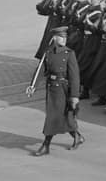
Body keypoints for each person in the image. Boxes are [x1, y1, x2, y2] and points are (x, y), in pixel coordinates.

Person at [30, 27, 83, 156]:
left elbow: (75, 76)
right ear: (54, 38)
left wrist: (75, 96)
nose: (64, 40)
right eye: (61, 37)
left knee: (55, 117)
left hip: (63, 89)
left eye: (65, 37)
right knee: (60, 116)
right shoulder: (47, 52)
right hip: (51, 88)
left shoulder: (69, 53)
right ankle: (77, 136)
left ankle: (46, 145)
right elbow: (41, 70)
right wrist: (33, 86)